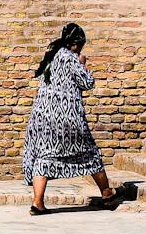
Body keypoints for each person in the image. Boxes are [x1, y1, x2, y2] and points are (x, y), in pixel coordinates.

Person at [22, 22, 117, 214]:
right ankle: (106, 192)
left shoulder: (51, 57)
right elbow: (87, 83)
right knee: (89, 153)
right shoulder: (72, 58)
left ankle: (37, 203)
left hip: (43, 118)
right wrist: (83, 63)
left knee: (44, 157)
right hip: (67, 118)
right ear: (77, 43)